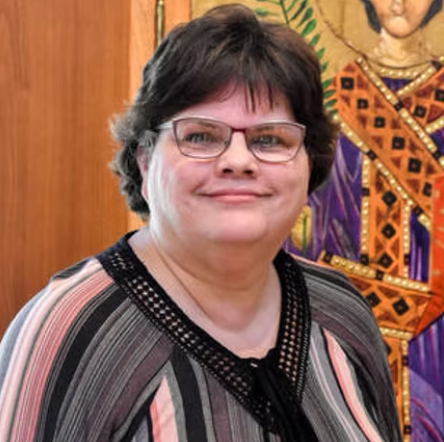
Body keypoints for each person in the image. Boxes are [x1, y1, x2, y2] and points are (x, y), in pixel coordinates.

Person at [0, 4, 402, 441]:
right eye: (201, 136)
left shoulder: (341, 310)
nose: (238, 160)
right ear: (145, 160)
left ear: (310, 163)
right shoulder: (72, 330)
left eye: (270, 139)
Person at [297, 0, 444, 438]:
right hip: (347, 307)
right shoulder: (337, 97)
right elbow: (314, 219)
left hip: (434, 318)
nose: (398, 3)